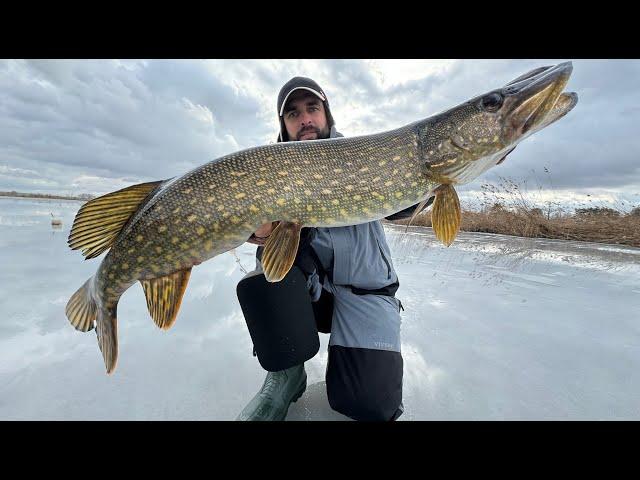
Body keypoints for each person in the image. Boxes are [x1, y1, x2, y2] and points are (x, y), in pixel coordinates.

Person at [236, 77, 430, 421]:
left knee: (369, 404)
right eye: (293, 114)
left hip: (365, 292)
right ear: (283, 125)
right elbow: (259, 240)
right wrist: (259, 232)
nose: (305, 119)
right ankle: (286, 373)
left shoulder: (362, 156)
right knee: (263, 278)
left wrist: (435, 179)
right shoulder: (266, 169)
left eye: (313, 108)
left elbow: (401, 207)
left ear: (327, 114)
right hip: (309, 294)